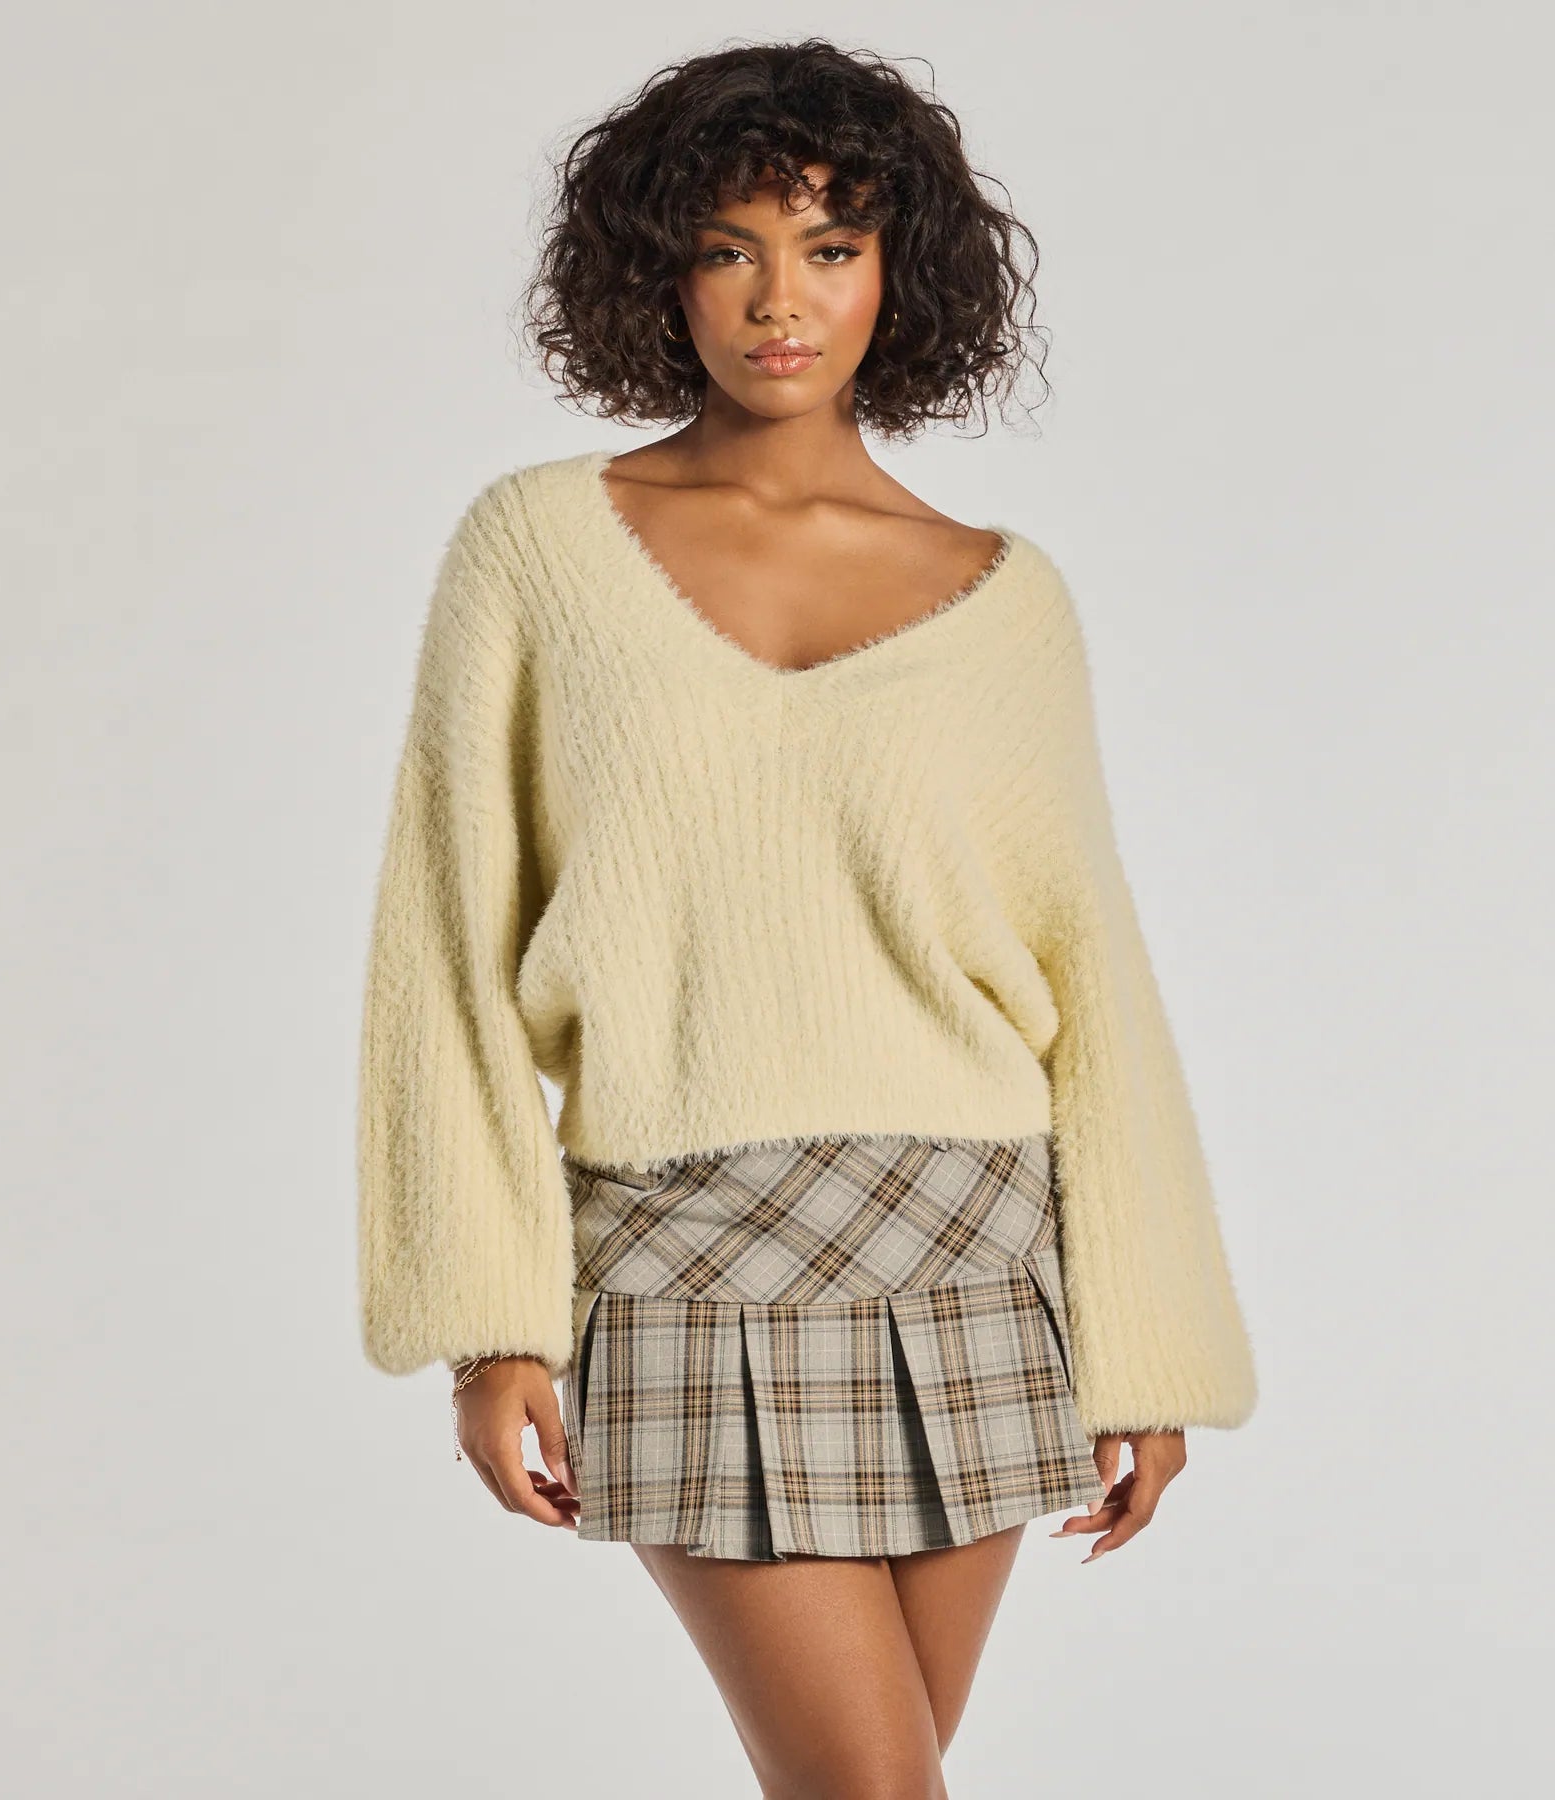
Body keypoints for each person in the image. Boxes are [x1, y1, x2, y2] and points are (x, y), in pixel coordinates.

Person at [356, 37, 1256, 1797]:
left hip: (975, 1248)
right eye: (729, 248)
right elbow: (441, 950)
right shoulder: (536, 547)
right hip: (680, 1248)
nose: (781, 300)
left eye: (830, 247)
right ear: (657, 272)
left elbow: (1093, 977)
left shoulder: (1000, 597)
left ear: (898, 273)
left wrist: (1148, 1345)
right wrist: (489, 1317)